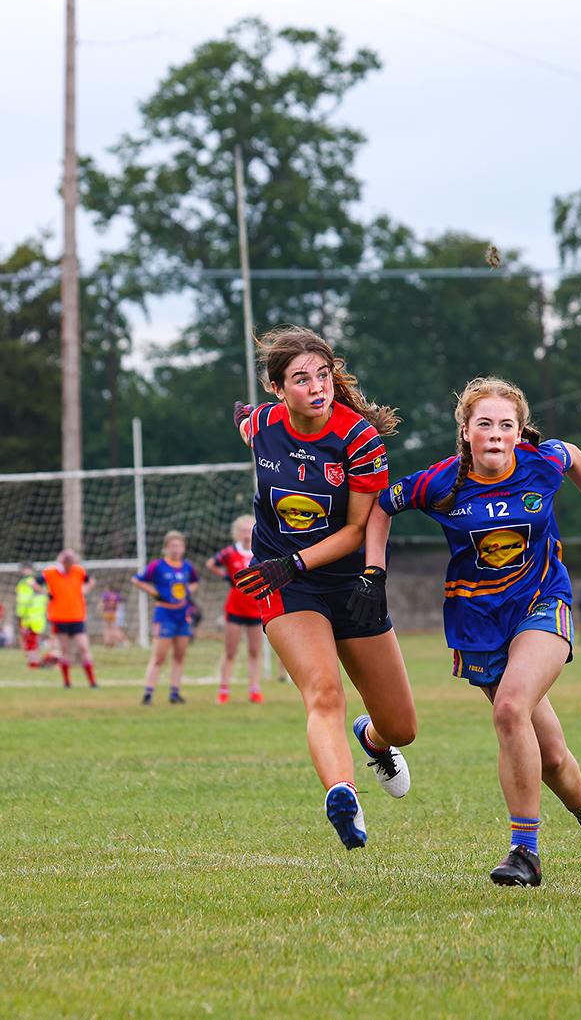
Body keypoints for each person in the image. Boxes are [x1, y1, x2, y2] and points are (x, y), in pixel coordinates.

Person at [362, 376, 581, 886]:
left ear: (521, 432)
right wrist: (374, 572)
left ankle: (525, 853)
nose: (496, 433)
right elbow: (379, 507)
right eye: (485, 424)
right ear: (466, 431)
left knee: (509, 709)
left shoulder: (541, 463)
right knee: (552, 758)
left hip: (545, 603)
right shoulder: (437, 482)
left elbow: (574, 455)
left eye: (507, 424)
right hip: (478, 621)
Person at [232, 324, 417, 851]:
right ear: (278, 390)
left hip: (348, 582)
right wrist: (285, 569)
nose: (317, 387)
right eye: (301, 379)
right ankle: (343, 795)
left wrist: (297, 562)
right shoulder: (263, 425)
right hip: (284, 584)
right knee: (324, 691)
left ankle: (372, 740)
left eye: (323, 375)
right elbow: (247, 422)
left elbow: (358, 529)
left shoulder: (358, 438)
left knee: (401, 727)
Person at [132, 531, 199, 705]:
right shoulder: (157, 566)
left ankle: (174, 693)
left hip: (183, 614)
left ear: (183, 548)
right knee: (159, 656)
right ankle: (148, 694)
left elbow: (195, 582)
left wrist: (188, 591)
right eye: (172, 546)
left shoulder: (187, 567)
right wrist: (154, 593)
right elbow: (137, 580)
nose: (175, 549)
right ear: (165, 548)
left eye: (178, 546)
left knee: (179, 655)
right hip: (164, 614)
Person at [206, 514, 265, 704]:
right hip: (235, 608)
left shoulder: (260, 553)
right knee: (230, 651)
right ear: (237, 533)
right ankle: (223, 690)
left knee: (254, 651)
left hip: (255, 607)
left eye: (249, 530)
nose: (247, 534)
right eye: (243, 531)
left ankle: (254, 690)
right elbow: (211, 564)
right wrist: (227, 578)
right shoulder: (230, 552)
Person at [36, 550, 98, 688]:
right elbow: (33, 582)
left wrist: (84, 590)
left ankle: (92, 682)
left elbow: (91, 581)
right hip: (60, 617)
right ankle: (67, 682)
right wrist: (46, 593)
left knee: (83, 647)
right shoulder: (50, 573)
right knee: (65, 650)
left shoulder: (78, 571)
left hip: (77, 616)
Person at [15, 561, 56, 668]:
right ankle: (36, 662)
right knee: (34, 642)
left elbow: (23, 601)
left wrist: (19, 615)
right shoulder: (42, 585)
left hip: (28, 619)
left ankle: (34, 664)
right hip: (39, 619)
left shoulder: (25, 584)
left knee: (30, 644)